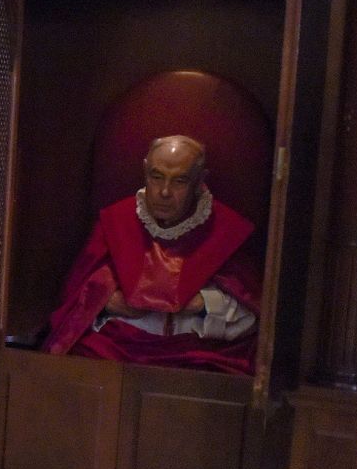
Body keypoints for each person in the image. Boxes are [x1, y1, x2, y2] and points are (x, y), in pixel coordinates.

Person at [43, 135, 261, 375]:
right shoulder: (116, 222)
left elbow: (251, 306)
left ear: (200, 181)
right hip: (120, 348)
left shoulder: (224, 230)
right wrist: (106, 301)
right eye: (156, 177)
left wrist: (204, 304)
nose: (164, 192)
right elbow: (76, 298)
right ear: (145, 171)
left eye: (179, 181)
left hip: (196, 354)